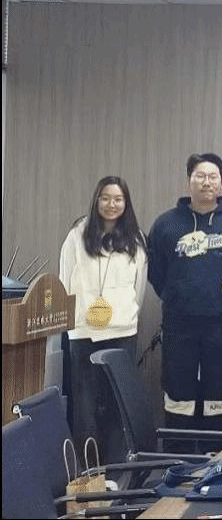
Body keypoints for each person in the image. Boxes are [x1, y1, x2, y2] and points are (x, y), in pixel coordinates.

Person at [148, 153, 222, 431]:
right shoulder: (166, 223)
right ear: (189, 179)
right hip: (178, 324)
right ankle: (177, 452)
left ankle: (216, 453)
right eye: (200, 176)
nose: (206, 182)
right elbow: (156, 271)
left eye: (213, 177)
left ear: (221, 182)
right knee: (178, 393)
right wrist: (178, 294)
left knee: (219, 393)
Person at [58, 176, 147, 461]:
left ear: (126, 203)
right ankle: (89, 470)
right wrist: (73, 320)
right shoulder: (78, 234)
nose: (112, 204)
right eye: (106, 198)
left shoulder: (135, 238)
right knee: (84, 405)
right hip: (84, 331)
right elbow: (65, 280)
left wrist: (127, 315)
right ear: (96, 200)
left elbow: (139, 288)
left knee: (117, 403)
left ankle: (116, 468)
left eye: (118, 199)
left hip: (122, 331)